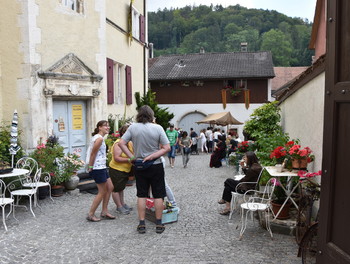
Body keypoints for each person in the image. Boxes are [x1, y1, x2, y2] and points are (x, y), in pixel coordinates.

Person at [118, 105, 170, 234]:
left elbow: (121, 143)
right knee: (158, 194)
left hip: (140, 165)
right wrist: (153, 155)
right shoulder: (158, 128)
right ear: (151, 115)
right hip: (155, 164)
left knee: (141, 194)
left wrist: (132, 157)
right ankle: (159, 223)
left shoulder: (133, 127)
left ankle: (142, 223)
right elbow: (166, 147)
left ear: (139, 115)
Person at [86, 120, 115, 222]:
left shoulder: (100, 138)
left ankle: (104, 211)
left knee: (110, 186)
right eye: (105, 126)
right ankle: (91, 214)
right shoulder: (98, 139)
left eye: (108, 126)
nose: (108, 127)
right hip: (97, 168)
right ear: (99, 127)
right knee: (102, 192)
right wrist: (90, 167)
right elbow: (93, 154)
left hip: (101, 167)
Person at [109, 124, 133, 215]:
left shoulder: (129, 143)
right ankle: (119, 206)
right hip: (116, 169)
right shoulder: (119, 143)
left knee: (121, 188)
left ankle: (122, 204)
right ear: (123, 133)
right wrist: (130, 160)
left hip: (125, 169)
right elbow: (117, 158)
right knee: (116, 189)